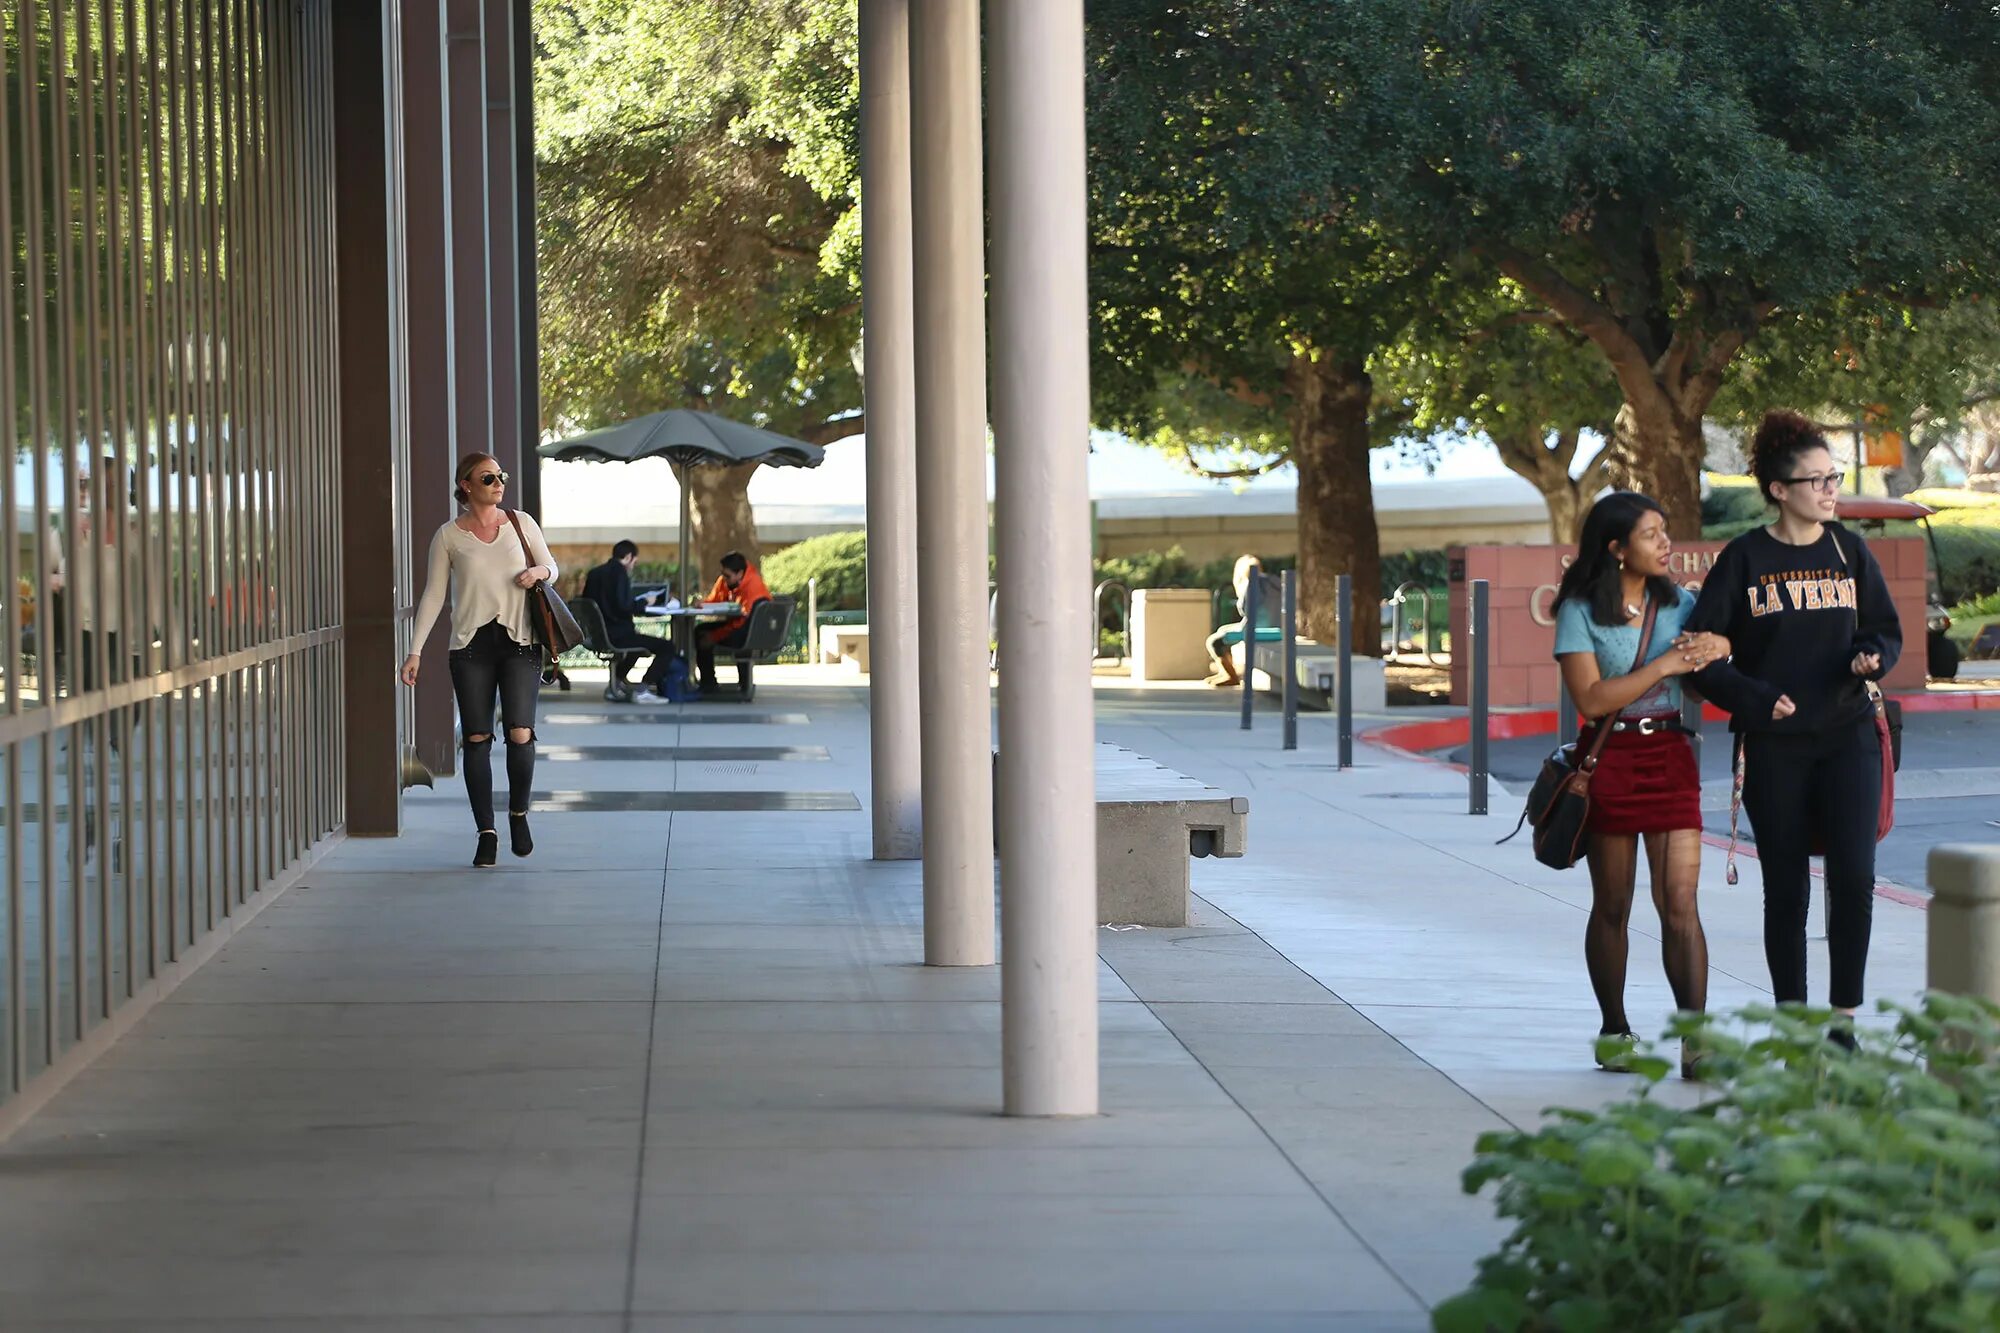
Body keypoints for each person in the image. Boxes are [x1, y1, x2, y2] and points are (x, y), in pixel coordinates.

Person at [1687, 411, 1901, 1048]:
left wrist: (1871, 656)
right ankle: (1793, 1025)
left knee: (1854, 877)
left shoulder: (1849, 552)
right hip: (1775, 748)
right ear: (1779, 489)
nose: (1830, 490)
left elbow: (1884, 631)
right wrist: (1753, 698)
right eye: (1816, 481)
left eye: (1833, 477)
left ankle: (1843, 1023)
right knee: (1785, 888)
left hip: (1849, 738)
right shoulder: (1744, 558)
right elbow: (1700, 656)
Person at [1552, 493, 1729, 1079]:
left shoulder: (1683, 603)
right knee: (1613, 905)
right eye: (1652, 535)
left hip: (1670, 753)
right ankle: (1614, 1030)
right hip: (1612, 758)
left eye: (1664, 531)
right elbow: (1591, 698)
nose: (1666, 544)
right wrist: (1661, 668)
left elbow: (1704, 683)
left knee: (1680, 904)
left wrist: (1715, 650)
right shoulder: (1580, 609)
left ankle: (1695, 1043)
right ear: (1617, 547)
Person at [399, 453, 557, 868]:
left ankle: (519, 813)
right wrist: (415, 650)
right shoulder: (449, 536)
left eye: (500, 476)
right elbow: (434, 595)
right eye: (488, 477)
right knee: (476, 739)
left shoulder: (521, 523)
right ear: (466, 485)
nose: (498, 482)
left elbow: (551, 566)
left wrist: (537, 574)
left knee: (520, 732)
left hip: (520, 642)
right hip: (470, 648)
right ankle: (486, 831)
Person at [581, 539, 682, 703]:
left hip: (599, 634)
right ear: (628, 557)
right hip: (618, 634)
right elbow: (624, 606)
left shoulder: (594, 573)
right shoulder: (620, 573)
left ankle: (617, 682)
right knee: (667, 647)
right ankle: (643, 689)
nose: (634, 564)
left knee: (636, 648)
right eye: (635, 560)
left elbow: (590, 603)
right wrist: (646, 602)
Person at [694, 550, 771, 695]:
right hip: (738, 625)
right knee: (700, 630)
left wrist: (714, 637)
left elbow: (741, 624)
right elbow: (715, 598)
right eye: (723, 574)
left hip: (748, 631)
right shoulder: (728, 580)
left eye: (727, 576)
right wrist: (703, 604)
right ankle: (708, 682)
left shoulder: (753, 587)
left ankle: (710, 684)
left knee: (704, 635)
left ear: (740, 574)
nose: (724, 579)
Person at [1205, 555, 1271, 687]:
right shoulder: (1271, 583)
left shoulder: (1249, 585)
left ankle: (1231, 675)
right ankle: (1226, 672)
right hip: (1274, 628)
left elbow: (1244, 610)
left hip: (1254, 629)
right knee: (1223, 630)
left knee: (1214, 641)